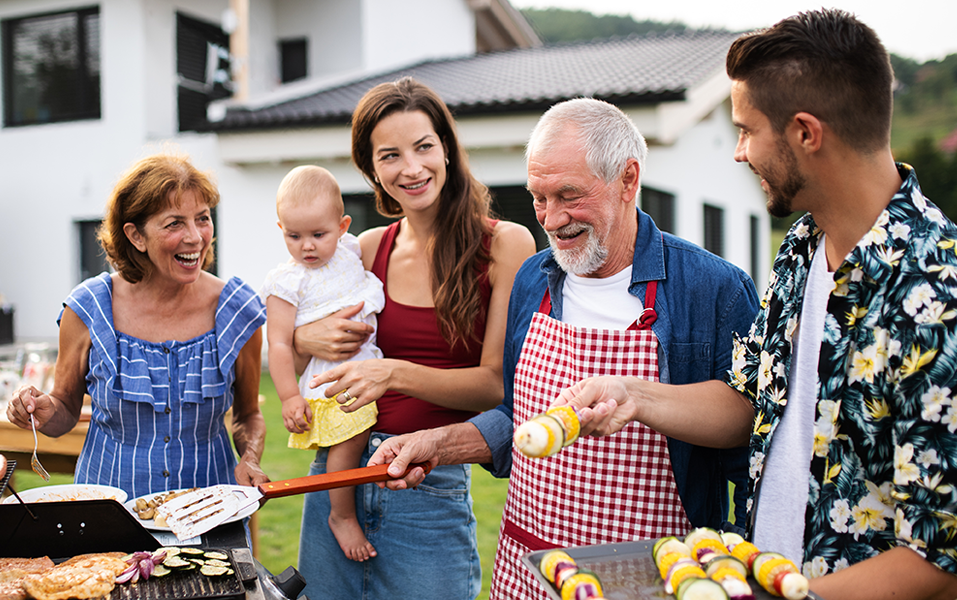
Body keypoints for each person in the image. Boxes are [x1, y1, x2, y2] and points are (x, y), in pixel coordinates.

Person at [547, 9, 957, 600]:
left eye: (746, 129)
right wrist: (631, 395)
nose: (739, 153)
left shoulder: (937, 289)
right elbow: (750, 406)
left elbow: (938, 556)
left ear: (805, 133)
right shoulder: (802, 246)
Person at [366, 97, 760, 599]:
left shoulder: (712, 288)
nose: (551, 220)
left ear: (627, 179)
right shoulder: (534, 278)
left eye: (568, 195)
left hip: (654, 575)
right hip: (533, 569)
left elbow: (750, 426)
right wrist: (439, 445)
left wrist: (636, 396)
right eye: (538, 198)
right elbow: (519, 414)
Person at [290, 77, 536, 599]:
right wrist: (308, 336)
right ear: (371, 168)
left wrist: (393, 372)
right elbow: (297, 337)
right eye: (390, 155)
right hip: (338, 470)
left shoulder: (505, 244)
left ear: (445, 147)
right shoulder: (365, 247)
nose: (412, 167)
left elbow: (495, 385)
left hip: (427, 480)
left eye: (424, 146)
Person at [6, 152, 268, 501]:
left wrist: (250, 456)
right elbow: (65, 409)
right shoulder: (88, 307)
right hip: (109, 513)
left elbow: (248, 415)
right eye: (174, 223)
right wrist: (41, 410)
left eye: (202, 219)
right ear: (136, 236)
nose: (195, 237)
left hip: (209, 511)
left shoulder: (237, 310)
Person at [260, 165, 385, 562]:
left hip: (368, 364)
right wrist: (289, 396)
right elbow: (278, 343)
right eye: (293, 236)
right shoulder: (287, 281)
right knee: (347, 442)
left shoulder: (350, 251)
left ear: (343, 226)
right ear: (280, 228)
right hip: (330, 379)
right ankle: (340, 514)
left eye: (318, 234)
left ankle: (344, 510)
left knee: (358, 439)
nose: (307, 246)